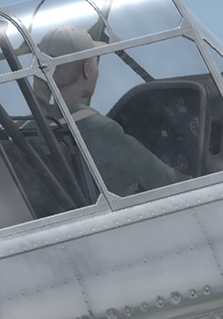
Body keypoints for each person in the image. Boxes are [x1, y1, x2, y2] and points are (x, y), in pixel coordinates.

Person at [37, 24, 186, 197]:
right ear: (87, 69)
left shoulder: (32, 127)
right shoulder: (101, 130)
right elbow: (168, 182)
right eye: (95, 61)